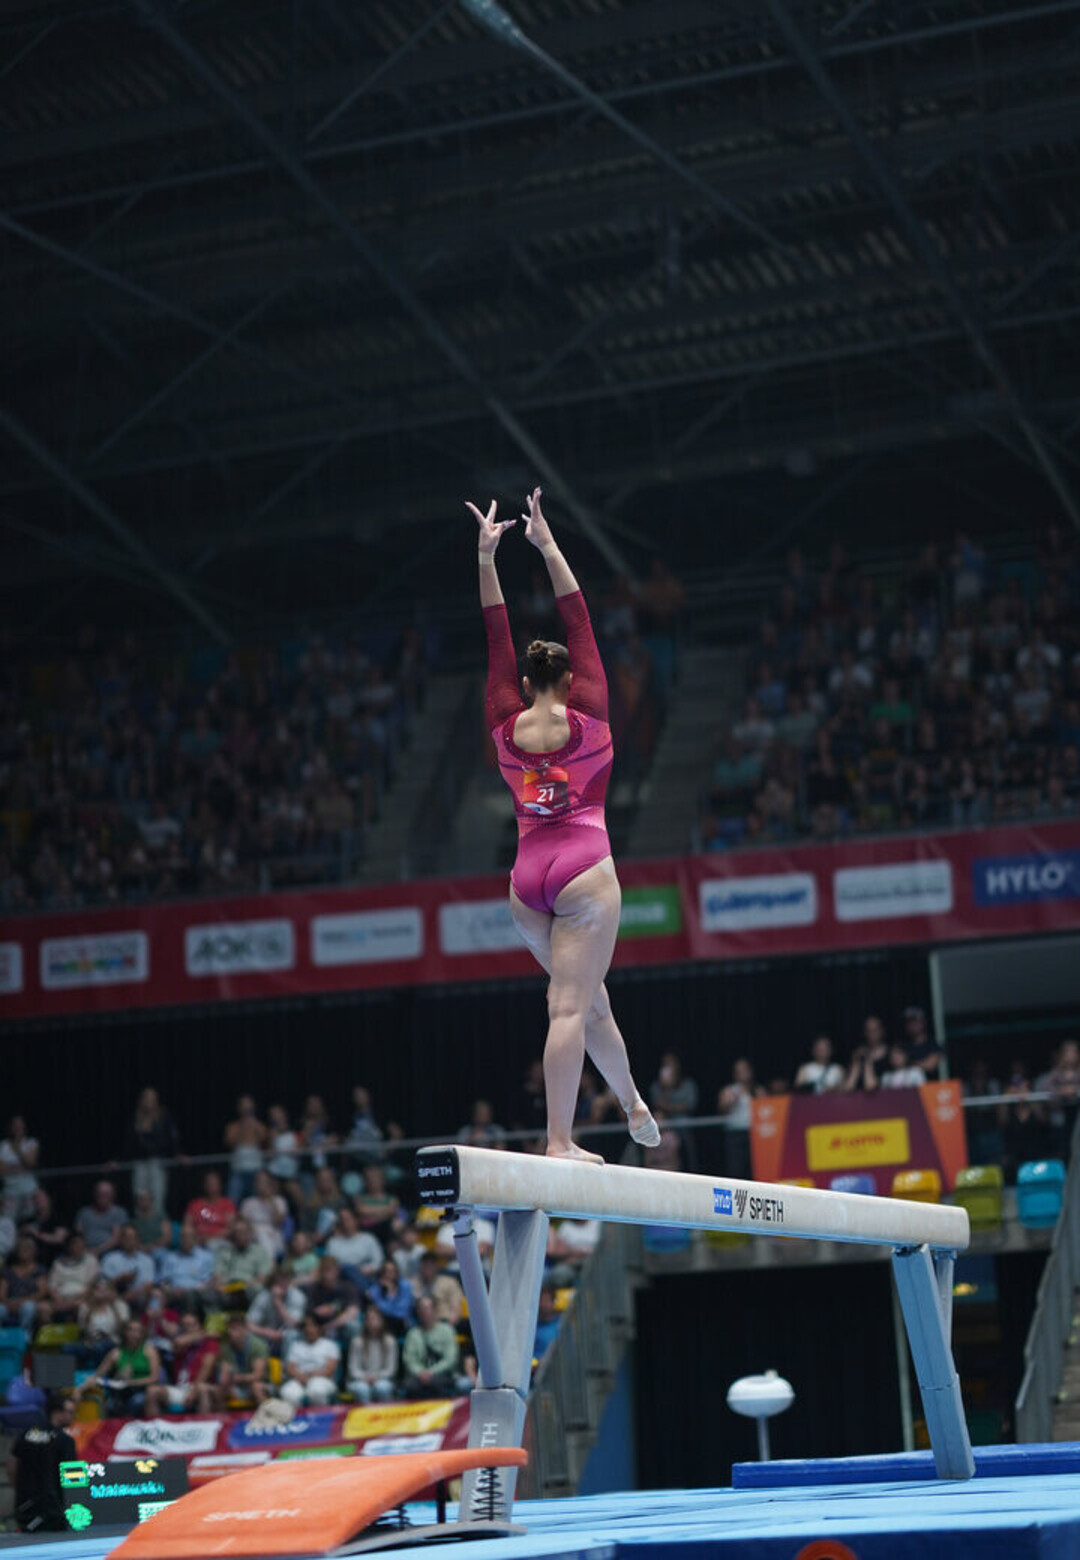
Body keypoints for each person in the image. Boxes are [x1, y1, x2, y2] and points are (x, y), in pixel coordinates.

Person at [469, 485, 659, 1161]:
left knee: (587, 1001)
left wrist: (486, 558)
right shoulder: (592, 710)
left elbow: (496, 636)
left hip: (527, 883)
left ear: (524, 685)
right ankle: (558, 1141)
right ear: (571, 679)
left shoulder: (503, 718)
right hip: (583, 870)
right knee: (569, 1008)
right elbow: (578, 618)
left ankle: (632, 1100)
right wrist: (546, 543)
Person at [7, 1392, 77, 1533]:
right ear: (57, 1413)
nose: (73, 1416)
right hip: (53, 1512)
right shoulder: (65, 1440)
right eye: (70, 1412)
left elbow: (12, 1465)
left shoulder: (27, 1434)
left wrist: (19, 1488)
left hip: (26, 1508)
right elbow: (73, 1478)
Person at [83, 1319, 161, 1418]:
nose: (134, 1334)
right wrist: (119, 1376)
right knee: (109, 1403)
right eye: (130, 1330)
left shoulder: (149, 1351)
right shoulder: (116, 1353)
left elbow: (154, 1378)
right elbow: (98, 1375)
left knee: (137, 1401)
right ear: (125, 1332)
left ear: (142, 1334)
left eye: (137, 1331)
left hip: (143, 1390)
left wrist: (130, 1382)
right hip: (121, 1392)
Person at [146, 1311, 218, 1415]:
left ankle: (205, 1424)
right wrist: (203, 1334)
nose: (187, 1328)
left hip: (198, 1386)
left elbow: (206, 1369)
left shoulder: (209, 1342)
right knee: (152, 1391)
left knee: (202, 1389)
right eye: (184, 1325)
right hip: (180, 1387)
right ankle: (155, 1425)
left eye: (191, 1324)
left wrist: (193, 1391)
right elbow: (178, 1343)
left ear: (199, 1325)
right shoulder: (182, 1343)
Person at [125, 1087, 180, 1215]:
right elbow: (128, 1143)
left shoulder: (163, 1117)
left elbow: (172, 1136)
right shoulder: (135, 1119)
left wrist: (177, 1153)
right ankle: (140, 1222)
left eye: (152, 1098)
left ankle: (158, 1221)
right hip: (140, 1163)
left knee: (157, 1195)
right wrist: (117, 1159)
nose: (149, 1101)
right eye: (146, 1098)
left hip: (157, 1162)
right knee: (139, 1195)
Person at [402, 1295, 469, 1399]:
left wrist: (431, 1372)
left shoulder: (447, 1330)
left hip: (444, 1373)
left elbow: (450, 1359)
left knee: (437, 1383)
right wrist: (421, 1372)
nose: (424, 1311)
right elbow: (409, 1360)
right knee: (410, 1386)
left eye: (427, 1307)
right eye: (421, 1308)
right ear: (418, 1311)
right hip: (419, 1375)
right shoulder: (413, 1334)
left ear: (435, 1310)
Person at [716, 1059, 764, 1179]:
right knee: (736, 1168)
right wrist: (730, 1101)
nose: (742, 1074)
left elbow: (769, 1108)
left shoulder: (758, 1090)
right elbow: (721, 1109)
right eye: (739, 1071)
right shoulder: (729, 1090)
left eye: (745, 1070)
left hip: (755, 1134)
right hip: (735, 1133)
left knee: (756, 1168)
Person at [281, 1314, 340, 1407]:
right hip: (299, 1379)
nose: (308, 1329)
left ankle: (320, 1416)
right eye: (306, 1326)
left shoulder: (330, 1345)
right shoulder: (296, 1346)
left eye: (312, 1325)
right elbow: (290, 1368)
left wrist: (310, 1375)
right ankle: (296, 1416)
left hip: (322, 1379)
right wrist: (300, 1377)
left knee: (316, 1391)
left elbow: (329, 1370)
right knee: (288, 1393)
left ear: (319, 1328)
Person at [212, 1217, 272, 1305]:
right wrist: (219, 1284)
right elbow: (218, 1275)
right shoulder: (224, 1252)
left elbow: (262, 1277)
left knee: (257, 1292)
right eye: (237, 1232)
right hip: (227, 1289)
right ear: (233, 1235)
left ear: (250, 1233)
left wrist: (245, 1286)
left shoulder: (260, 1252)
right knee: (208, 1294)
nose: (241, 1235)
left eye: (244, 1232)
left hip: (248, 1288)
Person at [246, 1268, 306, 1356]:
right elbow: (249, 1324)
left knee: (292, 1335)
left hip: (287, 1335)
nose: (282, 1284)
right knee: (247, 1334)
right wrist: (266, 1332)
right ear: (272, 1283)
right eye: (278, 1282)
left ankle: (287, 1364)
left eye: (284, 1280)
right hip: (266, 1334)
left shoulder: (297, 1296)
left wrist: (278, 1303)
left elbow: (294, 1325)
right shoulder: (263, 1297)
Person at [215, 1313, 270, 1407]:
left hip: (262, 1384)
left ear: (245, 1329)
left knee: (256, 1387)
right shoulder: (226, 1347)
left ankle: (267, 1414)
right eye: (229, 1328)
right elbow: (224, 1375)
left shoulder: (257, 1345)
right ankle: (221, 1416)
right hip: (237, 1385)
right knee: (219, 1390)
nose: (230, 1332)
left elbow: (258, 1375)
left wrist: (239, 1378)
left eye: (234, 1328)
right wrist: (224, 1377)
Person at [347, 1304, 398, 1402]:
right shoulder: (357, 1341)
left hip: (383, 1379)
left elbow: (391, 1369)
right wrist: (365, 1377)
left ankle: (384, 1411)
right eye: (368, 1319)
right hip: (361, 1379)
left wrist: (376, 1377)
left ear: (381, 1321)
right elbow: (353, 1368)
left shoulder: (390, 1341)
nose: (371, 1322)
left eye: (374, 1319)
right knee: (362, 1389)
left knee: (383, 1388)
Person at [100, 1223, 156, 1310]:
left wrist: (134, 1293)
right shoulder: (110, 1259)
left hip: (139, 1297)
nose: (129, 1241)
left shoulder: (146, 1260)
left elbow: (148, 1285)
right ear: (121, 1239)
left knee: (155, 1294)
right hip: (115, 1296)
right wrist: (119, 1279)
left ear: (137, 1240)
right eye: (126, 1237)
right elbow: (104, 1285)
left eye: (132, 1238)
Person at [224, 1095, 267, 1206]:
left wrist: (254, 1125)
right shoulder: (233, 1126)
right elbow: (229, 1142)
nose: (246, 1108)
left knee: (257, 1200)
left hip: (256, 1169)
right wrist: (243, 1127)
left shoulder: (258, 1125)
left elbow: (264, 1139)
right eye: (243, 1105)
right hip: (238, 1169)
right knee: (233, 1200)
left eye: (248, 1105)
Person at [0, 1233, 47, 1331]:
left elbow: (41, 1292)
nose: (23, 1251)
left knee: (28, 1308)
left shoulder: (39, 1270)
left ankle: (25, 1336)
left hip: (30, 1301)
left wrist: (21, 1301)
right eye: (21, 1248)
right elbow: (2, 1293)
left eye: (27, 1248)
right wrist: (9, 1303)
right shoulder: (8, 1271)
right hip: (10, 1302)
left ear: (34, 1252)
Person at [47, 1233, 99, 1320]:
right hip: (60, 1299)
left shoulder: (91, 1260)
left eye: (81, 1244)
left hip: (81, 1299)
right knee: (43, 1308)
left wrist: (72, 1303)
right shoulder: (58, 1263)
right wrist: (60, 1301)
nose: (79, 1246)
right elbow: (51, 1287)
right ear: (68, 1246)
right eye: (75, 1244)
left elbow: (91, 1285)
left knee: (82, 1307)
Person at [0, 1116, 40, 1222]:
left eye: (20, 1125)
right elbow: (1, 1169)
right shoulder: (3, 1145)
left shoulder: (31, 1143)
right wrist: (20, 1167)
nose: (18, 1128)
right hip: (9, 1191)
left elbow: (30, 1163)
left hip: (29, 1189)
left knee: (29, 1218)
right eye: (15, 1125)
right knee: (8, 1220)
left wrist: (17, 1147)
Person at [411, 1251, 465, 1328]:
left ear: (437, 1266)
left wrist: (448, 1327)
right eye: (425, 1264)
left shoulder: (450, 1283)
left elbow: (456, 1308)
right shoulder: (413, 1283)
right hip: (419, 1325)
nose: (427, 1268)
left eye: (431, 1265)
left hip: (445, 1322)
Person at [75, 1180, 128, 1255]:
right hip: (84, 1252)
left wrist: (97, 1251)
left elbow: (116, 1238)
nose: (103, 1196)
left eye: (107, 1194)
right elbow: (78, 1235)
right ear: (95, 1194)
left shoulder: (119, 1213)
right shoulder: (84, 1213)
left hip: (110, 1253)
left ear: (113, 1195)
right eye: (100, 1193)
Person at [367, 1257, 416, 1336]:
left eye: (391, 1272)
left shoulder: (405, 1286)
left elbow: (402, 1311)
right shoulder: (376, 1289)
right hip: (385, 1325)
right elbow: (377, 1311)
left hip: (404, 1324)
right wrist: (386, 1292)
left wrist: (389, 1296)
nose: (388, 1275)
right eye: (385, 1271)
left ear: (396, 1273)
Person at [184, 1170, 236, 1244]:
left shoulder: (227, 1204)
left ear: (220, 1185)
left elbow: (230, 1229)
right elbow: (187, 1226)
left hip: (220, 1241)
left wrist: (210, 1237)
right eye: (209, 1183)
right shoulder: (194, 1204)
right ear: (204, 1185)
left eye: (214, 1183)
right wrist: (195, 1237)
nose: (211, 1186)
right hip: (197, 1241)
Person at [845, 1016, 890, 1093]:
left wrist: (868, 1060)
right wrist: (856, 1062)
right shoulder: (860, 1055)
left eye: (875, 1030)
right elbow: (848, 1087)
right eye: (868, 1031)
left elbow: (871, 1086)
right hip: (859, 1099)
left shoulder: (890, 1054)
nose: (871, 1034)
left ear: (882, 1031)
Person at [650, 1054, 699, 1118]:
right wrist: (665, 1088)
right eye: (665, 1065)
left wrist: (670, 1107)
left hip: (683, 1119)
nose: (668, 1068)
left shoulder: (688, 1084)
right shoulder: (656, 1086)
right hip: (665, 1119)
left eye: (670, 1064)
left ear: (678, 1065)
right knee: (658, 1115)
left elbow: (690, 1106)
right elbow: (658, 1105)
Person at [902, 1006, 943, 1081]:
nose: (913, 1025)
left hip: (931, 1085)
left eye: (916, 1022)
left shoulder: (932, 1044)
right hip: (909, 1085)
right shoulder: (904, 1046)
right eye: (910, 1023)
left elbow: (930, 1066)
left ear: (923, 1023)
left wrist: (910, 1063)